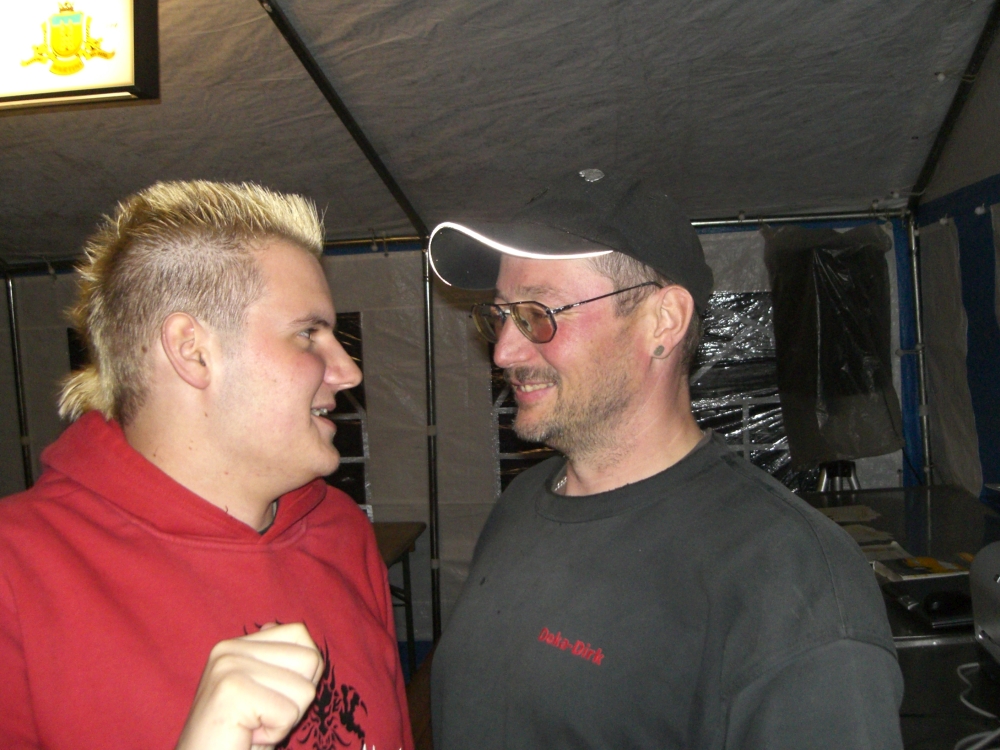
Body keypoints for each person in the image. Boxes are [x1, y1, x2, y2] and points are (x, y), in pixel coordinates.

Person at [427, 168, 904, 749]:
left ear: (664, 321)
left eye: (538, 314)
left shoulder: (790, 577)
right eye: (502, 314)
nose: (504, 350)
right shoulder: (521, 505)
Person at [0, 181, 413, 750]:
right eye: (308, 334)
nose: (348, 372)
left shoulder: (341, 531)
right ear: (192, 350)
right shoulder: (16, 573)